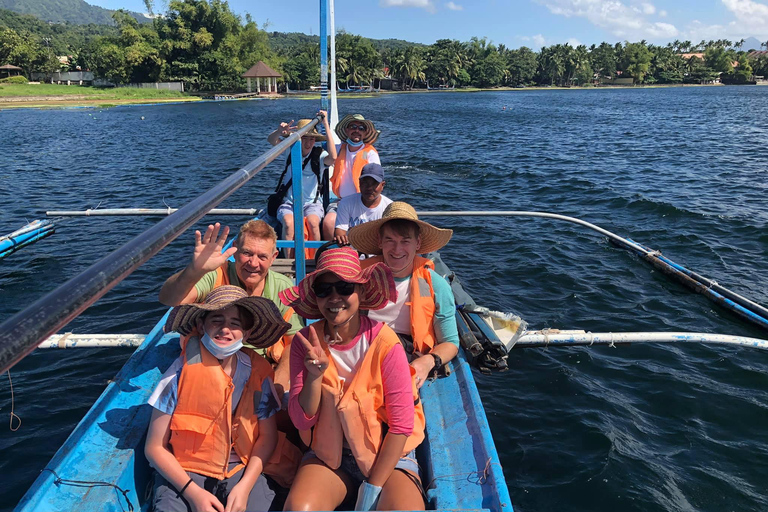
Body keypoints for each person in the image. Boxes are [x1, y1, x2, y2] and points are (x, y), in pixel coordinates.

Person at [278, 248, 426, 511]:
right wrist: (313, 377)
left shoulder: (386, 343)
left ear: (362, 292)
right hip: (329, 456)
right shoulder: (306, 343)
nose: (335, 298)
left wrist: (372, 488)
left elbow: (401, 425)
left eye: (345, 287)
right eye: (324, 289)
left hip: (387, 457)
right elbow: (301, 419)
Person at [145, 286, 298, 512]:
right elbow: (154, 447)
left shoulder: (258, 372)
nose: (225, 329)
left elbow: (267, 438)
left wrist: (244, 487)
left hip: (241, 469)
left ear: (246, 334)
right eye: (216, 320)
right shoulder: (177, 374)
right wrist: (194, 494)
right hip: (185, 474)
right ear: (200, 326)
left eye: (235, 323)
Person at [157, 220, 302, 392]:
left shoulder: (284, 288)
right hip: (212, 361)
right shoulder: (215, 274)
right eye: (247, 253)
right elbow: (170, 299)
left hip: (261, 364)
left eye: (262, 256)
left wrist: (276, 385)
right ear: (234, 249)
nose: (254, 263)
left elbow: (294, 343)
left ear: (274, 258)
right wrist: (194, 271)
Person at [347, 202, 459, 389]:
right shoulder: (359, 276)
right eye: (390, 240)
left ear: (418, 244)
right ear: (380, 242)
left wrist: (428, 362)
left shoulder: (435, 286)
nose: (397, 250)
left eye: (405, 241)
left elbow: (450, 342)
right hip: (359, 348)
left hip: (405, 355)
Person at [266, 112, 338, 255]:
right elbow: (271, 140)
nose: (308, 143)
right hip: (289, 203)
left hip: (312, 203)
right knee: (288, 223)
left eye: (312, 139)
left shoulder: (319, 156)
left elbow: (334, 157)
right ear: (298, 139)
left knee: (313, 223)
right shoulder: (290, 151)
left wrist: (326, 126)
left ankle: (316, 258)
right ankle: (287, 262)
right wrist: (279, 132)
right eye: (305, 138)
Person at [321, 114, 381, 240]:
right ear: (347, 130)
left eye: (361, 128)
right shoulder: (338, 149)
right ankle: (331, 254)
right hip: (341, 201)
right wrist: (325, 123)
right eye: (353, 127)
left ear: (365, 133)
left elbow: (377, 182)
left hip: (362, 202)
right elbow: (316, 148)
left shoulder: (370, 153)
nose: (357, 131)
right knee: (328, 223)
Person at [333, 163, 392, 246]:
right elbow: (340, 230)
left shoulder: (390, 207)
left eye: (374, 184)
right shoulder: (345, 203)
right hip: (351, 254)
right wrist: (341, 237)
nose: (369, 188)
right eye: (365, 183)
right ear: (359, 183)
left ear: (382, 185)